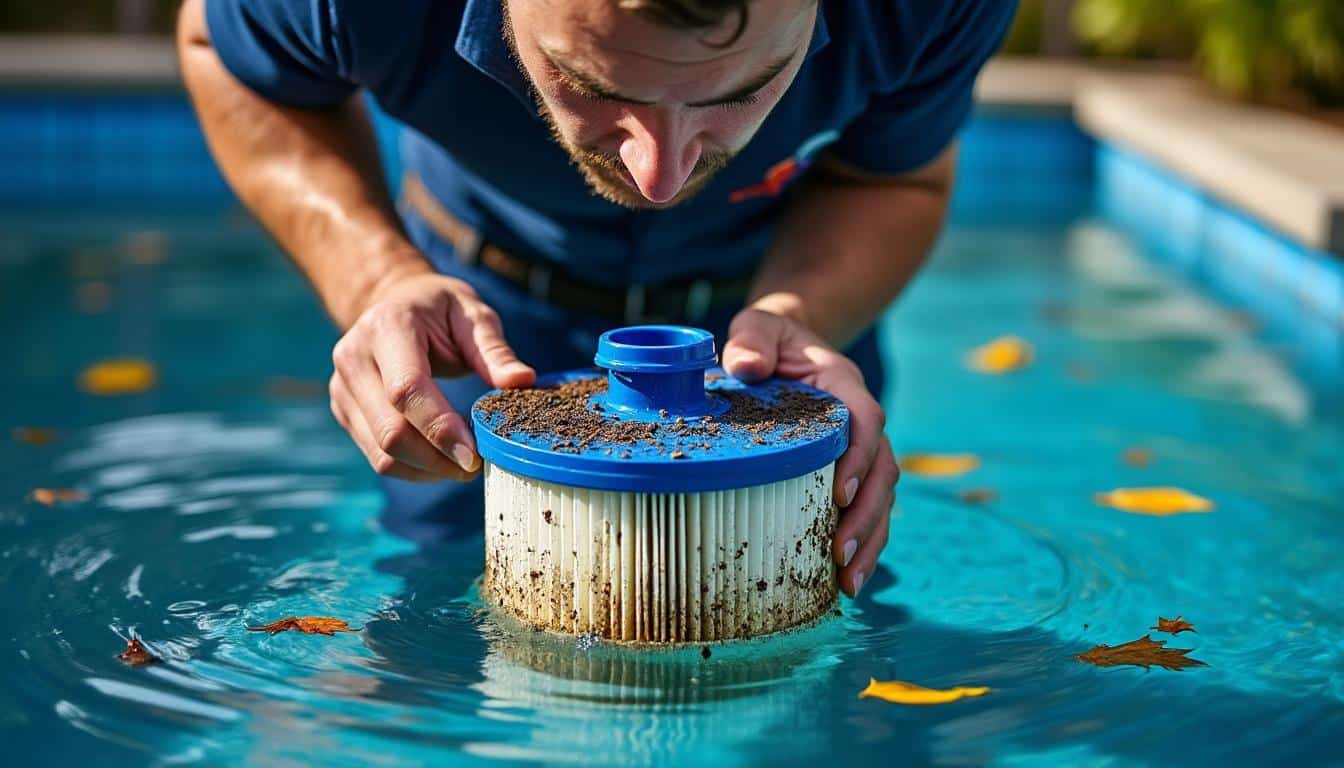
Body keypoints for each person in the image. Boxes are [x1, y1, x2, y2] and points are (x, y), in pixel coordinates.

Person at [178, 0, 1016, 597]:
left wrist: (805, 314)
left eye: (743, 91)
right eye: (590, 83)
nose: (661, 179)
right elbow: (225, 50)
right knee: (438, 595)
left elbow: (891, 176)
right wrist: (377, 278)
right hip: (473, 323)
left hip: (783, 334)